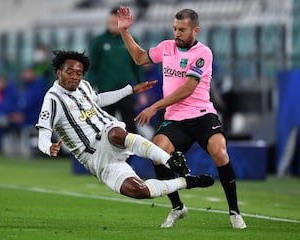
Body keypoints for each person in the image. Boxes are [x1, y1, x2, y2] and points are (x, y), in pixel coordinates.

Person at [117, 6, 247, 229]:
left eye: (182, 29)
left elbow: (188, 88)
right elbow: (139, 58)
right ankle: (178, 207)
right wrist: (124, 31)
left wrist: (154, 106)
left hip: (202, 114)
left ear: (195, 30)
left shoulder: (203, 53)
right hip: (175, 118)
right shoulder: (167, 47)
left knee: (219, 151)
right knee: (157, 154)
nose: (177, 33)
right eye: (175, 28)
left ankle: (234, 212)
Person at [36, 50, 214, 205]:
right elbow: (44, 131)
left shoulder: (83, 86)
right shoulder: (52, 100)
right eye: (70, 72)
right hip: (97, 159)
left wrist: (131, 90)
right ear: (58, 72)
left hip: (107, 131)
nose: (75, 76)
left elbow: (97, 99)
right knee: (140, 191)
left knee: (115, 133)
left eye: (79, 72)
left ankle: (169, 161)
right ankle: (186, 182)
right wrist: (47, 147)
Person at [86, 7, 145, 134]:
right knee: (105, 128)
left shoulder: (130, 40)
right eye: (110, 23)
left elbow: (138, 66)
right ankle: (107, 154)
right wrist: (88, 88)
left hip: (126, 91)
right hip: (105, 93)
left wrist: (142, 91)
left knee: (131, 128)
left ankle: (131, 154)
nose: (112, 26)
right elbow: (92, 67)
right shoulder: (99, 41)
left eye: (115, 23)